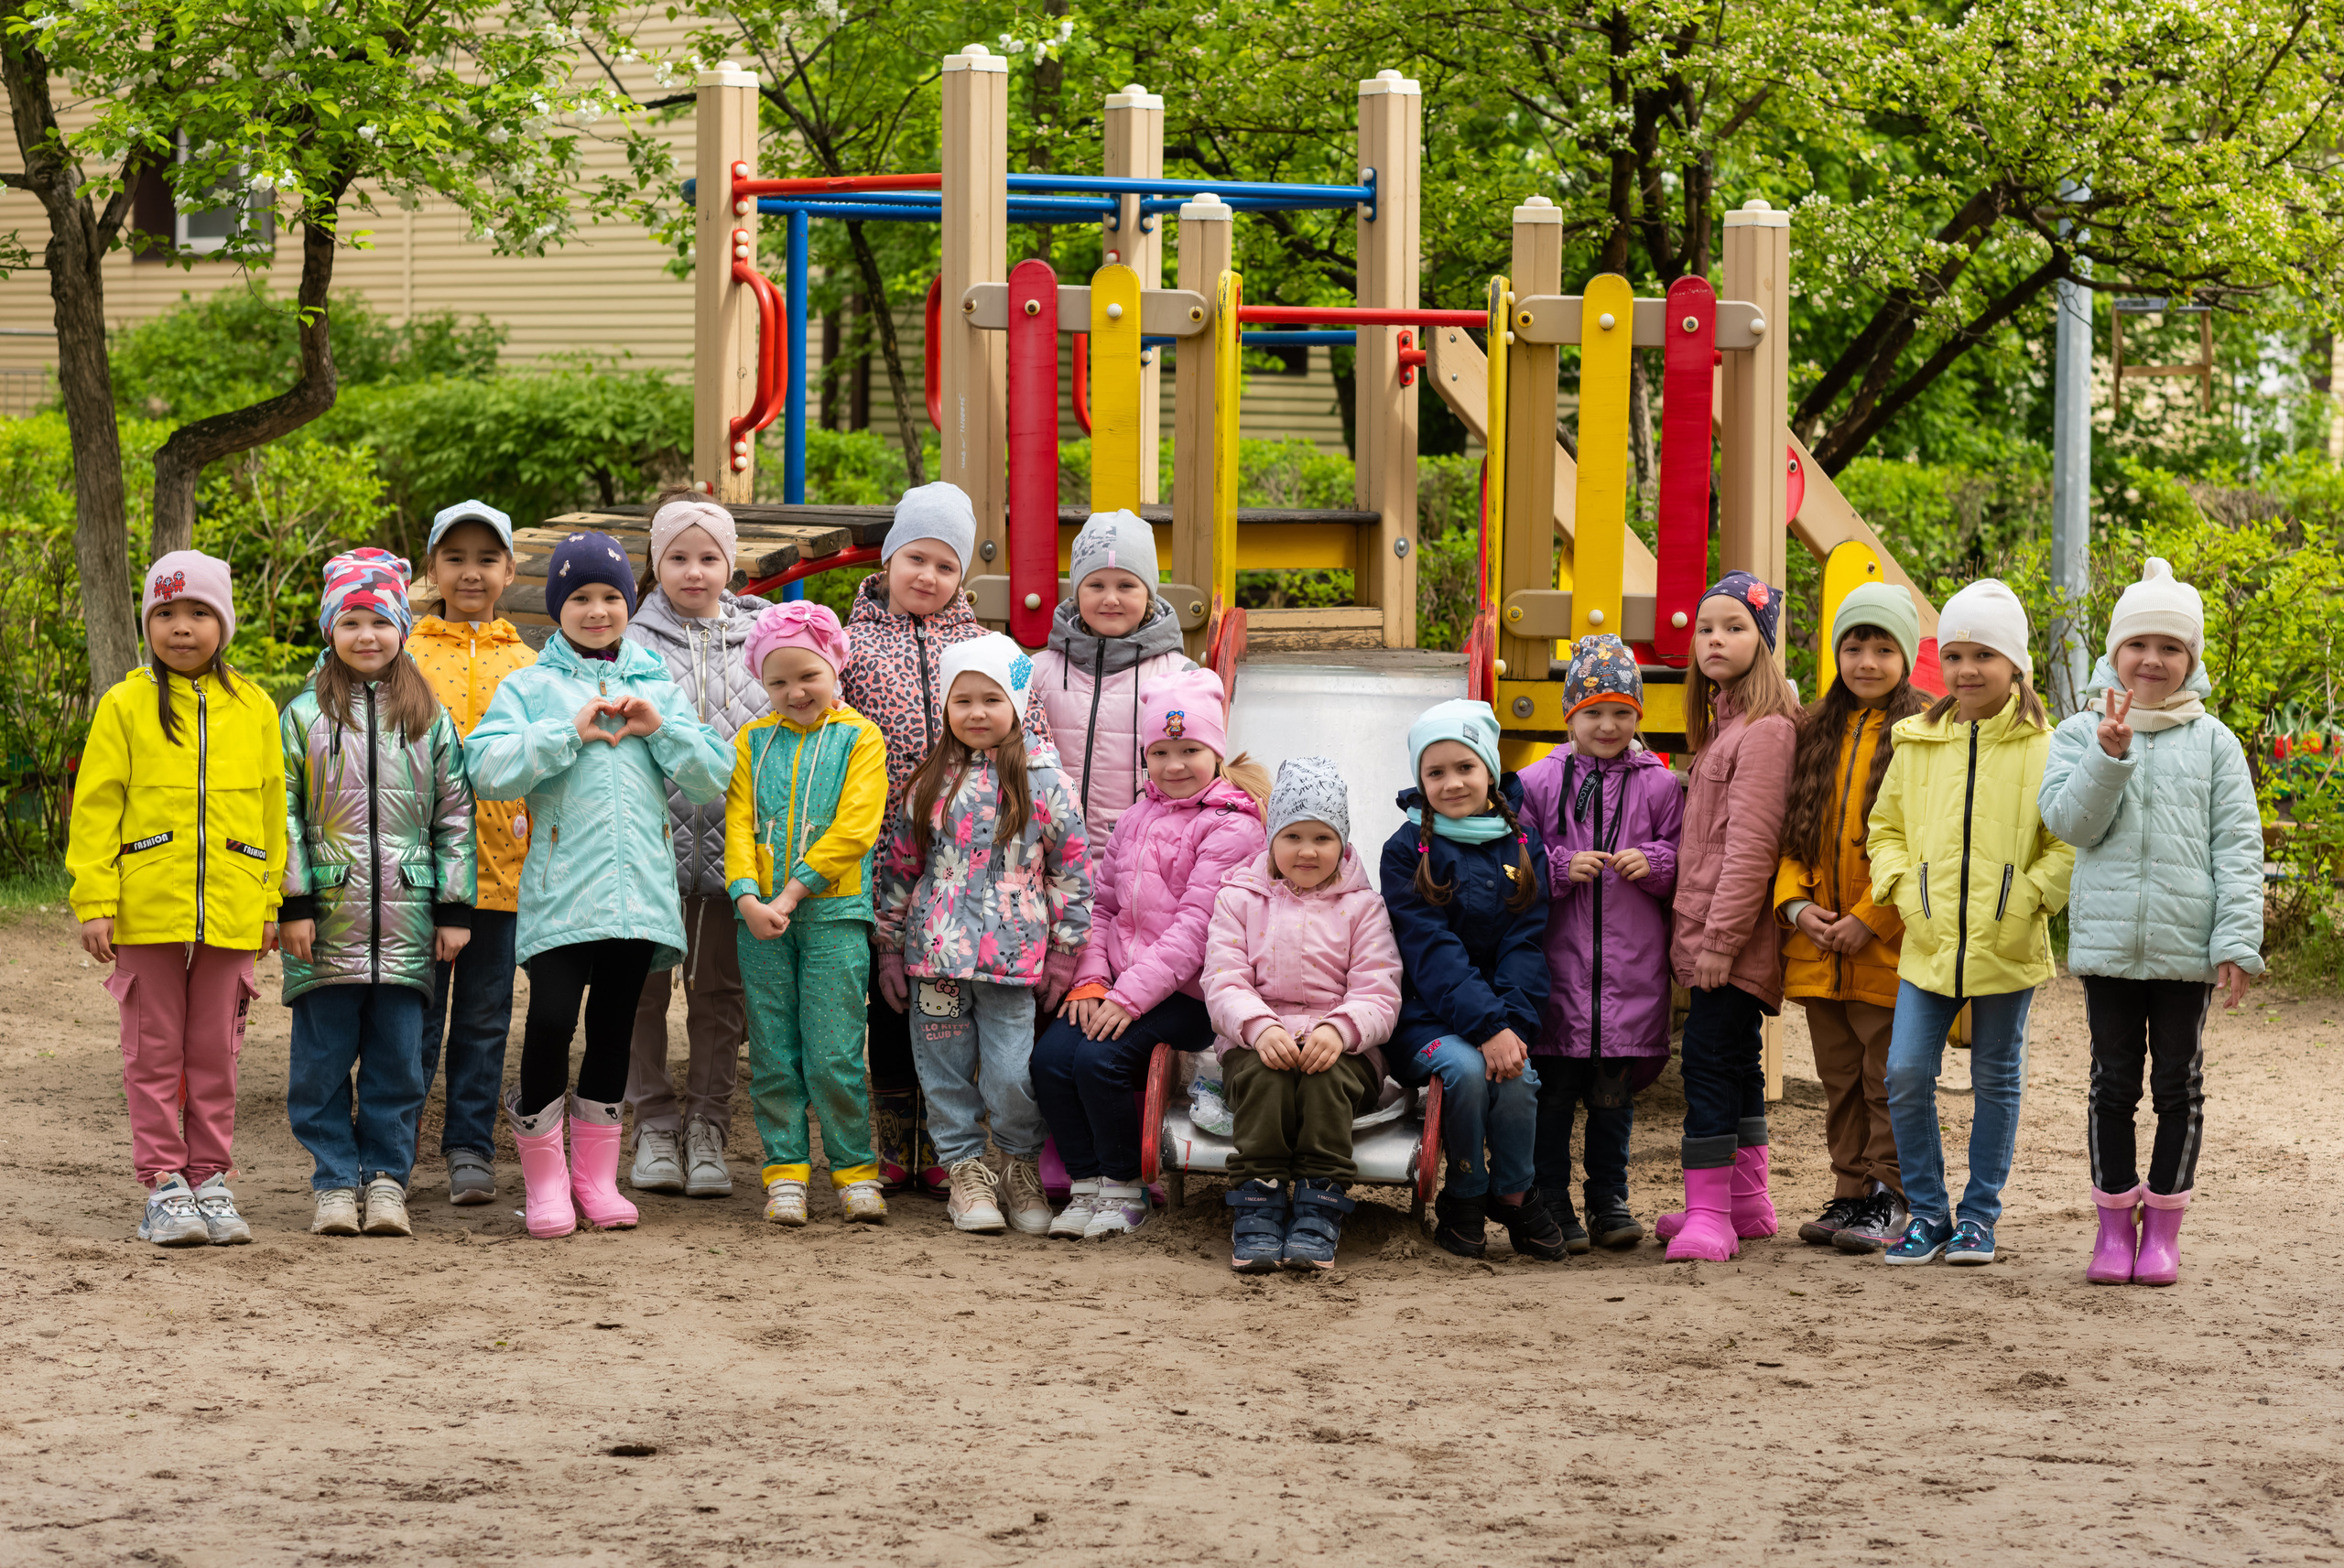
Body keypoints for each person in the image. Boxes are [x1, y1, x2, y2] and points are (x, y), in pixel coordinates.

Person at [464, 531, 732, 1240]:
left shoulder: (653, 680)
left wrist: (662, 726)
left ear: (629, 602)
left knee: (614, 1029)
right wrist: (566, 732)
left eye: (610, 596)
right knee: (552, 1020)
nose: (596, 610)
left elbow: (712, 775)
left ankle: (595, 1180)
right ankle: (546, 1181)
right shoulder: (528, 684)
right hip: (560, 893)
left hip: (639, 892)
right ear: (557, 605)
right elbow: (486, 768)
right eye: (579, 597)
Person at [2039, 559, 2262, 1287]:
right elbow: (2069, 822)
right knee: (2110, 1084)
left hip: (2183, 950)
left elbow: (2237, 846)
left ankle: (2162, 1225)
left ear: (2191, 659)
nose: (2154, 661)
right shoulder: (2080, 731)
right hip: (2108, 947)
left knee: (2178, 1085)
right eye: (2139, 645)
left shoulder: (2216, 743)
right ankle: (2112, 1228)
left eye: (2171, 648)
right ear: (2115, 652)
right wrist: (2109, 756)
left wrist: (2236, 939)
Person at [69, 551, 285, 1248]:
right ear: (148, 623)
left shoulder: (254, 706)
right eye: (165, 613)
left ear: (223, 622)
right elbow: (96, 808)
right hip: (146, 906)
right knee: (155, 1048)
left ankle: (209, 1177)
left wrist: (269, 902)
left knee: (216, 1049)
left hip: (230, 906)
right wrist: (95, 897)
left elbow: (271, 811)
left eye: (197, 613)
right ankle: (163, 1182)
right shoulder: (124, 704)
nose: (182, 627)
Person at [843, 482, 1053, 1196]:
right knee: (893, 1002)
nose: (927, 577)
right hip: (882, 857)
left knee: (966, 1012)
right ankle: (897, 1139)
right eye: (915, 560)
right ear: (889, 558)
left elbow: (1038, 738)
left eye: (943, 565)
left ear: (961, 575)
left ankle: (949, 1143)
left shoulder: (993, 649)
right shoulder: (851, 644)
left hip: (977, 869)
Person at [1869, 579, 2073, 1267]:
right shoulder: (1918, 740)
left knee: (1997, 1077)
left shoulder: (2048, 748)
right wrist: (1902, 891)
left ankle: (1980, 1215)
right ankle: (1928, 1212)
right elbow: (1886, 828)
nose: (1966, 669)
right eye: (1953, 654)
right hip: (1929, 941)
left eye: (1982, 654)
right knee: (1904, 1071)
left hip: (2007, 940)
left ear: (2015, 665)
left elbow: (2067, 839)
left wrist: (2031, 899)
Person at [278, 550, 476, 1239]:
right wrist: (293, 904)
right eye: (353, 621)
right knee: (321, 1060)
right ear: (331, 628)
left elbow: (454, 814)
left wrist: (453, 910)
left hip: (409, 922)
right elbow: (284, 815)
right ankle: (334, 1178)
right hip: (324, 923)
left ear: (401, 626)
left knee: (399, 1060)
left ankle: (387, 1177)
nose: (368, 635)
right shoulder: (303, 717)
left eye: (381, 621)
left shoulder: (428, 716)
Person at [1034, 669, 1266, 1240]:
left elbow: (1196, 929)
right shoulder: (1135, 819)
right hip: (1119, 983)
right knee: (1049, 1059)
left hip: (1187, 992)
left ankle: (1125, 1185)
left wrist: (1130, 997)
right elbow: (1102, 908)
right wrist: (1091, 981)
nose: (1174, 765)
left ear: (1215, 753)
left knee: (1099, 1061)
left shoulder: (1232, 827)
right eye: (1159, 752)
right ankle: (1086, 1183)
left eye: (1190, 750)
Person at [874, 634, 1091, 1237]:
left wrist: (1067, 953)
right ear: (945, 708)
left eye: (991, 698)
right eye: (962, 699)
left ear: (1016, 704)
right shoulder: (928, 784)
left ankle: (1018, 1165)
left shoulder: (1046, 782)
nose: (976, 712)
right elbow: (899, 866)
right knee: (942, 1069)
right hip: (935, 958)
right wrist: (889, 946)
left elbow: (1072, 869)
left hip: (1012, 962)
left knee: (1011, 1074)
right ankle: (966, 1169)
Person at [1771, 583, 1929, 1255]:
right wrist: (1798, 905)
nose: (1866, 660)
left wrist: (1872, 918)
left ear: (1907, 656)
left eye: (1883, 647)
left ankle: (1893, 1193)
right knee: (1838, 1076)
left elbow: (1924, 843)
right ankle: (1850, 1189)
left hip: (1882, 946)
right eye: (1854, 646)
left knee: (1884, 1075)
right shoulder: (1815, 728)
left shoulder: (1922, 732)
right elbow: (1793, 832)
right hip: (1819, 946)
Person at [624, 495, 773, 1201]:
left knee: (719, 996)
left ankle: (708, 1123)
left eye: (708, 557)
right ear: (656, 566)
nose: (694, 571)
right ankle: (652, 1121)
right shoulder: (631, 644)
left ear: (730, 563)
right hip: (649, 853)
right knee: (641, 992)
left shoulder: (763, 642)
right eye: (677, 558)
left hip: (733, 854)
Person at [1381, 698, 1564, 1262]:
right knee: (1465, 1069)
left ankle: (1513, 1191)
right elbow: (1430, 952)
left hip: (1499, 1019)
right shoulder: (1407, 850)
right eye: (1435, 772)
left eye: (1466, 767)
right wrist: (1488, 1029)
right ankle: (1464, 1193)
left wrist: (1510, 1026)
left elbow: (1524, 948)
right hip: (1423, 1020)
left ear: (1490, 769)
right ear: (1419, 779)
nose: (1452, 782)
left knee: (1518, 1077)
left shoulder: (1523, 847)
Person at [726, 600, 890, 1227]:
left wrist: (790, 893)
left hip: (832, 913)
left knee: (834, 1051)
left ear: (833, 667)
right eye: (778, 680)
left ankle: (853, 1169)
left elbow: (856, 827)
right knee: (772, 1050)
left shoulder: (860, 737)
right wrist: (746, 895)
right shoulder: (751, 740)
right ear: (762, 683)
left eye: (808, 675)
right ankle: (786, 1170)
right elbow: (737, 821)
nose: (795, 690)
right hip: (759, 919)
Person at [1517, 636, 1682, 1254]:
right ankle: (1552, 1197)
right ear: (1571, 717)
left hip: (1628, 977)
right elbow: (1519, 860)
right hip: (1559, 974)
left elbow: (1684, 855)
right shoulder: (1537, 782)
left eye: (1621, 712)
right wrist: (1559, 867)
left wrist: (1658, 861)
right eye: (1593, 712)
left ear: (1639, 714)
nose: (1608, 724)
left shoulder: (1660, 785)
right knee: (1554, 1093)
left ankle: (1609, 1197)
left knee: (1613, 1097)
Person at [1205, 757, 1401, 1273]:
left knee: (1323, 1080)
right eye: (1293, 836)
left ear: (1343, 843)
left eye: (1323, 837)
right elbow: (1223, 979)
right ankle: (1258, 1197)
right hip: (1258, 1037)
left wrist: (1341, 1029)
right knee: (1264, 1078)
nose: (1308, 851)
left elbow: (1379, 989)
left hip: (1343, 1046)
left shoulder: (1362, 906)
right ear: (1271, 838)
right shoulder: (1239, 898)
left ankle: (1319, 1198)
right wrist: (1257, 1025)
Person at [1656, 573, 1798, 1263]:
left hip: (1732, 940)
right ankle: (1746, 1202)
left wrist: (1719, 941)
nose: (1715, 637)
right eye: (1706, 627)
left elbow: (1751, 849)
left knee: (1709, 1063)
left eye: (1735, 626)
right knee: (1736, 1060)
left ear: (1764, 643)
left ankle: (1708, 1213)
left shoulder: (1766, 732)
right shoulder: (1725, 725)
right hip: (1715, 935)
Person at [408, 499, 534, 1207]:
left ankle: (469, 1147)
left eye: (487, 559)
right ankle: (393, 1147)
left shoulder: (528, 663)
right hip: (418, 877)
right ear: (432, 567)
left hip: (503, 876)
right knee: (414, 1017)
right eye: (454, 558)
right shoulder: (403, 654)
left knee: (485, 1021)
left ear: (510, 569)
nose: (471, 572)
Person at [1026, 509, 1196, 834]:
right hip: (1051, 851)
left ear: (1149, 595)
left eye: (1127, 585)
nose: (1111, 599)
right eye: (1096, 585)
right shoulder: (1040, 671)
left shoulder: (1178, 676)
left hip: (1142, 852)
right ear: (1077, 594)